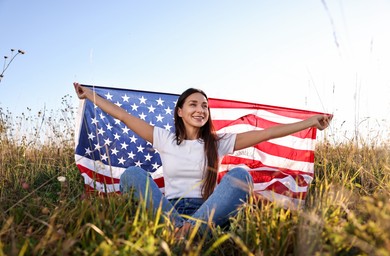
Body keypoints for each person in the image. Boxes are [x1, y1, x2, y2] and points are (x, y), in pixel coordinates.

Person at [73, 82, 332, 238]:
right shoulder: (164, 138)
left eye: (205, 106)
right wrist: (89, 95)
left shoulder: (216, 143)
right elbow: (125, 116)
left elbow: (267, 133)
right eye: (194, 105)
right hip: (168, 210)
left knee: (241, 175)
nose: (200, 110)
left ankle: (182, 233)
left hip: (209, 212)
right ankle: (184, 231)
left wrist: (310, 122)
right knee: (131, 174)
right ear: (180, 111)